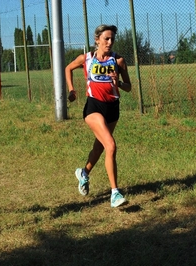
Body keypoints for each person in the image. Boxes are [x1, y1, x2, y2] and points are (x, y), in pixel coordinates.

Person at [65, 24, 132, 208]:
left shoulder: (118, 61)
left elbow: (129, 86)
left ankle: (84, 173)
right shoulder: (86, 59)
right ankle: (115, 193)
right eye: (106, 39)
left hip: (113, 108)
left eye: (112, 39)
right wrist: (72, 90)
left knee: (100, 147)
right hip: (94, 107)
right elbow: (68, 68)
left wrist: (117, 82)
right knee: (110, 145)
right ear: (97, 40)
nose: (110, 42)